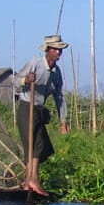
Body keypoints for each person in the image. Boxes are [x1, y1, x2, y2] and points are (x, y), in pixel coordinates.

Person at [15, 34, 71, 196]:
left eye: (60, 50)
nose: (58, 53)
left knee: (40, 145)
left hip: (39, 109)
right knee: (31, 144)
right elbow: (15, 81)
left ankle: (32, 179)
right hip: (27, 107)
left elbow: (59, 96)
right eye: (55, 50)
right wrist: (26, 80)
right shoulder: (35, 63)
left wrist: (63, 120)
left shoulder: (56, 72)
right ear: (47, 50)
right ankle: (30, 179)